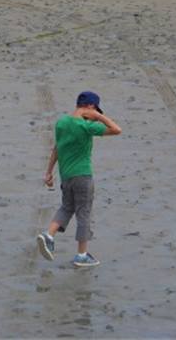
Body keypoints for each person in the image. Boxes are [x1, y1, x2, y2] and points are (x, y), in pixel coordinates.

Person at [37, 91, 122, 268]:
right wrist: (99, 117)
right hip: (83, 175)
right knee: (83, 212)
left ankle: (49, 235)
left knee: (67, 207)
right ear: (90, 107)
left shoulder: (61, 123)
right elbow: (117, 130)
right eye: (95, 110)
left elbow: (56, 148)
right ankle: (81, 255)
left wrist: (48, 172)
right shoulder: (86, 126)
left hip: (66, 175)